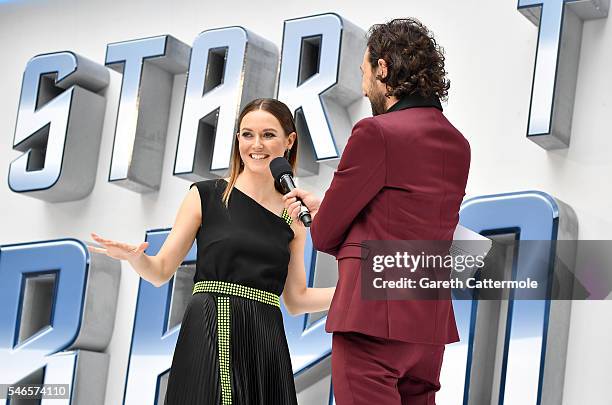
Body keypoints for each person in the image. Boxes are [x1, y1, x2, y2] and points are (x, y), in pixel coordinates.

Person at [88, 98, 335, 405]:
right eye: (247, 134)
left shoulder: (293, 216)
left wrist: (360, 291)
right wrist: (136, 257)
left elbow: (297, 300)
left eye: (268, 135)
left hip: (264, 339)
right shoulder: (205, 195)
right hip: (209, 325)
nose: (256, 144)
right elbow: (160, 270)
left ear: (289, 141)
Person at [284, 18, 471, 405]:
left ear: (383, 68)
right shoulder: (457, 143)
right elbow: (405, 219)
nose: (363, 82)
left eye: (365, 71)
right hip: (427, 329)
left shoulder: (376, 132)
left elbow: (325, 233)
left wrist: (324, 213)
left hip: (372, 324)